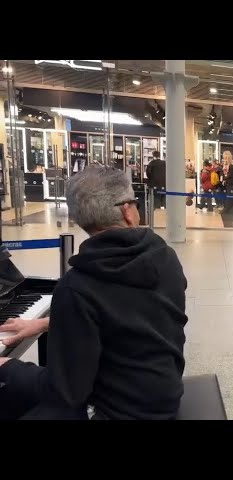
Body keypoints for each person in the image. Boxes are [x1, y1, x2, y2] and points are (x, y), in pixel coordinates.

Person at [0, 166, 188, 420]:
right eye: (135, 202)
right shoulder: (164, 257)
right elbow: (126, 316)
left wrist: (7, 366)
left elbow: (65, 393)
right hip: (162, 399)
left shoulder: (79, 285)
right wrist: (46, 323)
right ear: (127, 212)